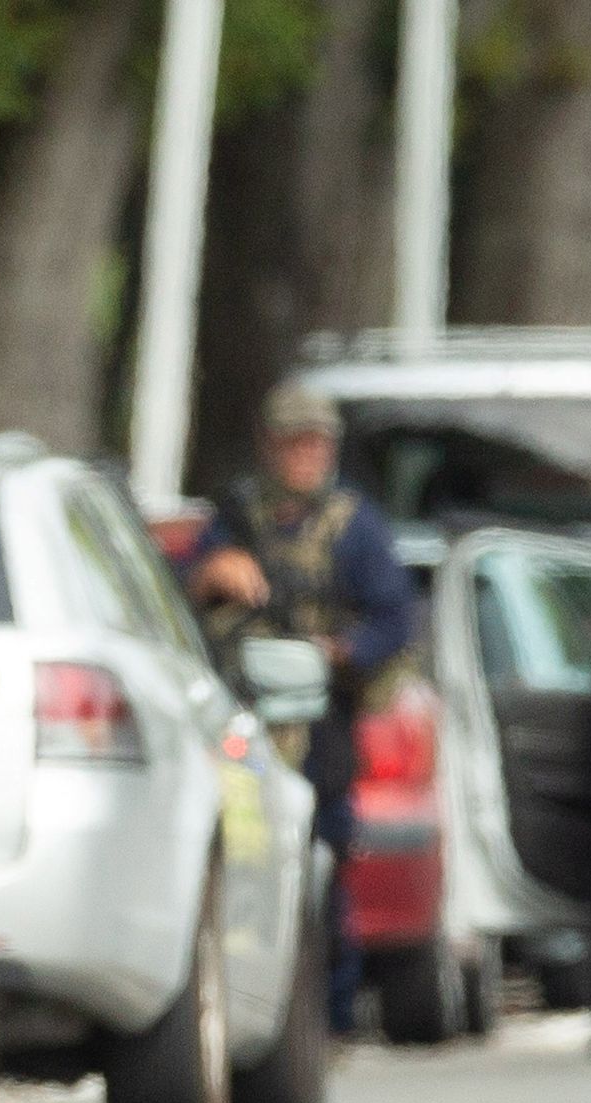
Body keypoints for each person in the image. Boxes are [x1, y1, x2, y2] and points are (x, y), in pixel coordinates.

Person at [187, 382, 417, 1037]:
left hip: (320, 724)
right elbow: (186, 590)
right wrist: (213, 573)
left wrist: (339, 652)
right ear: (270, 446)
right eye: (294, 442)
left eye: (316, 443)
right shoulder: (236, 517)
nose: (305, 455)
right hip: (245, 720)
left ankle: (329, 1016)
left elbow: (394, 618)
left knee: (323, 863)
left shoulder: (355, 527)